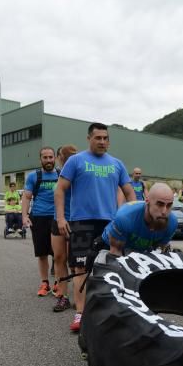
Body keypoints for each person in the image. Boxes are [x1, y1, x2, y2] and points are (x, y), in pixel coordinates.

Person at [54, 122, 136, 332]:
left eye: (105, 138)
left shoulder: (117, 164)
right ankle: (81, 314)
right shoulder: (76, 160)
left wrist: (131, 218)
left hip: (109, 225)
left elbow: (130, 194)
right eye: (98, 138)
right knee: (80, 268)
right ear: (89, 138)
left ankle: (109, 312)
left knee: (109, 269)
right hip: (81, 222)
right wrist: (62, 219)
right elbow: (60, 189)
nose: (102, 141)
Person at [22, 147, 59, 297]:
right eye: (45, 157)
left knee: (58, 254)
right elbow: (26, 197)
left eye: (51, 157)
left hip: (58, 217)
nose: (48, 160)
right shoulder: (33, 176)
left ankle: (58, 282)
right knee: (42, 253)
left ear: (55, 158)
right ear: (40, 159)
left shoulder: (62, 174)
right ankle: (45, 283)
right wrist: (24, 216)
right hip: (39, 217)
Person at [102, 183, 178, 255]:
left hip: (142, 251)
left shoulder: (172, 222)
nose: (164, 212)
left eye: (169, 205)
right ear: (147, 201)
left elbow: (160, 252)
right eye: (159, 204)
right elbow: (115, 252)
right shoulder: (125, 217)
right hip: (112, 246)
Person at [50, 144, 77, 313]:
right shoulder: (57, 175)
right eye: (63, 156)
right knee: (59, 258)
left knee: (76, 263)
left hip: (76, 220)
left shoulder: (79, 172)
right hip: (57, 220)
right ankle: (63, 297)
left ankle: (81, 298)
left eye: (69, 156)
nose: (65, 159)